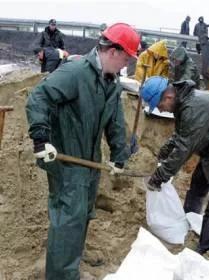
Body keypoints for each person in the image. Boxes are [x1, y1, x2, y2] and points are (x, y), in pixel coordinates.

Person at [26, 23, 140, 280]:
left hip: (89, 162)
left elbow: (115, 122)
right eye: (126, 58)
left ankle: (73, 258)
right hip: (67, 160)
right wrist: (41, 139)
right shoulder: (76, 72)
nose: (126, 64)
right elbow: (38, 98)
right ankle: (61, 275)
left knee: (83, 213)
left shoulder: (111, 81)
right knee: (68, 220)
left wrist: (119, 156)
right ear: (113, 51)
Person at [141, 77, 209, 255]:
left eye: (159, 105)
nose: (160, 109)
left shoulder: (192, 108)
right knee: (197, 186)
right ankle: (188, 224)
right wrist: (165, 151)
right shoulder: (183, 103)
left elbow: (184, 148)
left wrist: (160, 176)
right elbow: (180, 135)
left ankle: (206, 248)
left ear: (168, 97)